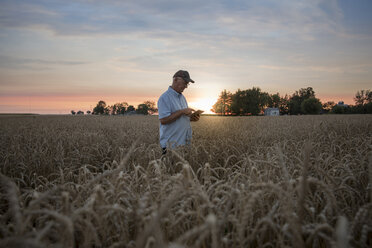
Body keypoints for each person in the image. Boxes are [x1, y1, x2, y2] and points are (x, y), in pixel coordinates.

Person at [157, 70, 201, 154]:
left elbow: (181, 117)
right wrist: (182, 111)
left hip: (184, 144)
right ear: (175, 80)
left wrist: (192, 118)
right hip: (170, 146)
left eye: (187, 84)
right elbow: (163, 120)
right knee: (169, 167)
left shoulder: (183, 98)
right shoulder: (164, 98)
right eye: (185, 82)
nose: (186, 86)